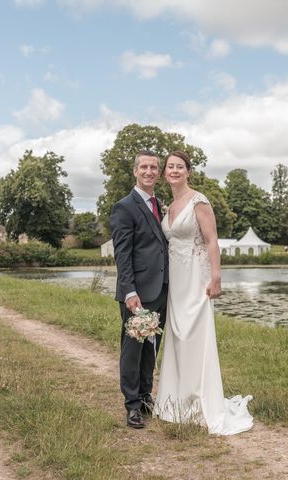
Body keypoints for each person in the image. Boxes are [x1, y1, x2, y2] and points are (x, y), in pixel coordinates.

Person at [154, 151, 253, 435]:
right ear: (165, 174)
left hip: (197, 279)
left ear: (188, 172)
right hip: (176, 281)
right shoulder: (169, 206)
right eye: (170, 167)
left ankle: (200, 404)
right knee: (178, 336)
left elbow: (212, 241)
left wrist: (216, 277)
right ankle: (176, 402)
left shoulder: (199, 201)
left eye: (179, 167)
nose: (174, 171)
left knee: (196, 337)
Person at [109, 150, 168, 429]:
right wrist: (129, 291)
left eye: (154, 167)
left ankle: (145, 396)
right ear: (135, 171)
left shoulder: (158, 203)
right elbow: (122, 254)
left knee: (151, 347)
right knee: (132, 348)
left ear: (159, 172)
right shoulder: (125, 207)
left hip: (160, 290)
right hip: (137, 293)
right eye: (144, 167)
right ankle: (132, 405)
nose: (149, 171)